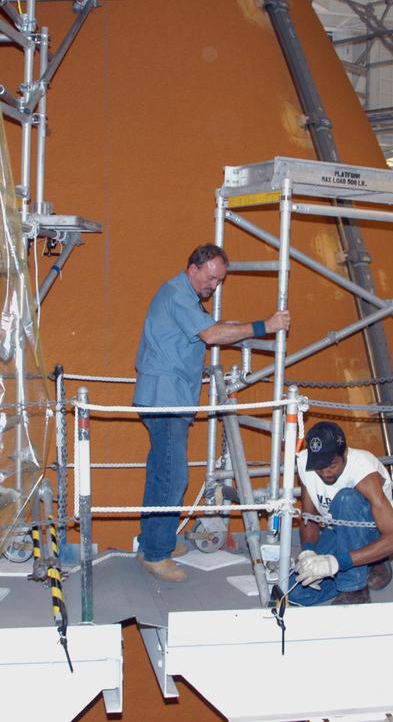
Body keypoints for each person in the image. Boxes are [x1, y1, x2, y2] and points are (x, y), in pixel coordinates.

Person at [133, 243, 290, 582]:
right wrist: (264, 326)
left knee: (162, 471)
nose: (213, 285)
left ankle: (153, 542)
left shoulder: (182, 296)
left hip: (168, 397)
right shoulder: (178, 294)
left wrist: (237, 325)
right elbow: (211, 333)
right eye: (210, 277)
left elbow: (211, 327)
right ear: (192, 268)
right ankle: (156, 554)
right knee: (172, 476)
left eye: (219, 281)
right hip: (166, 399)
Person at [290, 421, 393, 605]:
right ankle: (368, 564)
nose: (325, 473)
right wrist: (308, 553)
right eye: (320, 467)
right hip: (338, 531)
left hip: (374, 533)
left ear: (344, 454)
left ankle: (355, 589)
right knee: (297, 593)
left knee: (346, 499)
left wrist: (335, 563)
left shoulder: (363, 471)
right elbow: (309, 516)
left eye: (332, 466)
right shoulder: (305, 463)